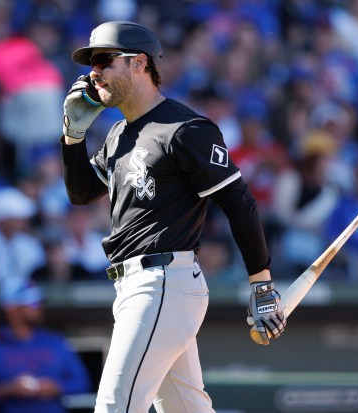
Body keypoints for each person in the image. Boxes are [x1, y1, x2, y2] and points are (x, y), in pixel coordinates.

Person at [59, 21, 286, 412]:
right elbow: (81, 194)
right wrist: (72, 136)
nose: (94, 71)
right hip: (137, 287)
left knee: (115, 406)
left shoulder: (184, 128)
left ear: (139, 63)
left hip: (162, 281)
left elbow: (239, 201)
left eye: (104, 60)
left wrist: (261, 285)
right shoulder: (117, 134)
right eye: (91, 62)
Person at [0, 279, 92, 413]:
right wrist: (8, 389)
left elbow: (82, 383)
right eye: (32, 303)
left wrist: (56, 387)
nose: (38, 308)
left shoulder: (56, 342)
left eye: (39, 303)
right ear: (11, 308)